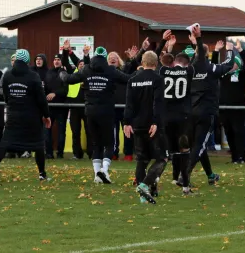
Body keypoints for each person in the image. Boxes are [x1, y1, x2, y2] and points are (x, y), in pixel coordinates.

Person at [60, 46, 132, 184]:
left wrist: (62, 74)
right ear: (105, 57)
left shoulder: (86, 69)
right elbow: (128, 79)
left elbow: (68, 79)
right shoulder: (111, 70)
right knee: (109, 143)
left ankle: (96, 175)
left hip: (90, 111)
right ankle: (104, 171)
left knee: (96, 143)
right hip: (106, 111)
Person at [0, 49, 52, 181]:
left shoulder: (7, 75)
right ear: (27, 60)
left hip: (13, 114)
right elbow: (41, 98)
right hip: (31, 116)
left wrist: (10, 104)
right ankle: (42, 174)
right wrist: (46, 115)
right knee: (38, 144)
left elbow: (5, 95)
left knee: (5, 142)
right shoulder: (33, 76)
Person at [187, 24, 235, 186]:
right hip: (206, 112)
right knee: (199, 146)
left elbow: (197, 55)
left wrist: (196, 43)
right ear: (206, 54)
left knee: (198, 146)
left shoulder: (191, 69)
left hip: (191, 111)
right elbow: (228, 64)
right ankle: (184, 175)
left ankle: (210, 175)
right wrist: (229, 50)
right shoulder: (212, 68)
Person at [123, 51, 166, 204]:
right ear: (155, 64)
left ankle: (143, 197)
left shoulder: (133, 80)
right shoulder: (158, 79)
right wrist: (155, 122)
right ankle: (144, 185)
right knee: (161, 159)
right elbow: (157, 102)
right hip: (151, 125)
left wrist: (126, 123)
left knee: (142, 159)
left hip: (137, 124)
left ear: (142, 62)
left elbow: (129, 104)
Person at [157, 32, 194, 195]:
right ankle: (185, 186)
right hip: (182, 117)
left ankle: (154, 182)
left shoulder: (164, 72)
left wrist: (166, 43)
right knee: (183, 152)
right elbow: (198, 60)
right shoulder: (188, 72)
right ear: (186, 64)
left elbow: (160, 60)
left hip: (165, 116)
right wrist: (195, 42)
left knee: (165, 153)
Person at [216, 39, 245, 164]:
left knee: (238, 132)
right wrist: (216, 51)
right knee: (229, 133)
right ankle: (234, 157)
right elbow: (214, 66)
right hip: (225, 109)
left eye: (233, 64)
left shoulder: (242, 75)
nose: (231, 66)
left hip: (238, 109)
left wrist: (240, 50)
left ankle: (241, 157)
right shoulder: (224, 75)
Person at [62, 42, 91, 159]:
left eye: (84, 64)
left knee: (90, 131)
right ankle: (77, 153)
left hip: (87, 106)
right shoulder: (72, 73)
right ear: (77, 65)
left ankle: (91, 153)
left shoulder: (89, 75)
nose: (82, 65)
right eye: (80, 64)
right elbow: (64, 62)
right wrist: (65, 51)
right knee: (75, 132)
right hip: (74, 107)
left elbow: (87, 63)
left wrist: (86, 54)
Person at [44, 49, 69, 159]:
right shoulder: (49, 72)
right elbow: (45, 88)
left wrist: (55, 93)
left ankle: (60, 153)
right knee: (47, 130)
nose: (56, 61)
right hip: (49, 107)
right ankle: (49, 153)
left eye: (58, 59)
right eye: (55, 60)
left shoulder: (64, 72)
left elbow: (65, 90)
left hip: (61, 106)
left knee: (61, 131)